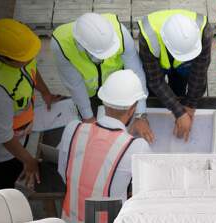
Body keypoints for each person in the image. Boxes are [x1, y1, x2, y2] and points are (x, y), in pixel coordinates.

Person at [58, 70, 152, 223]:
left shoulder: (73, 129)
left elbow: (63, 173)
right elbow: (146, 193)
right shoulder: (137, 146)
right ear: (132, 109)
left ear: (104, 101)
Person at [51, 12, 154, 143]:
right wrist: (88, 117)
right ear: (81, 46)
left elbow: (136, 73)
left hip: (117, 88)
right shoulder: (61, 45)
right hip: (89, 93)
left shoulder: (120, 33)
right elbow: (75, 85)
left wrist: (140, 115)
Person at [0, 19, 59, 190]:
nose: (32, 59)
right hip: (1, 154)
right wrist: (28, 160)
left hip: (19, 135)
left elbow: (32, 72)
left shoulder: (23, 58)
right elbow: (3, 137)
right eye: (27, 58)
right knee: (3, 187)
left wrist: (45, 93)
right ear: (7, 58)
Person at [138, 9, 212, 141]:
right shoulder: (148, 37)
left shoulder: (203, 31)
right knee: (155, 97)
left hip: (183, 67)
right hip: (158, 62)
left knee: (179, 89)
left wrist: (189, 106)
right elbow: (155, 81)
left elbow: (200, 71)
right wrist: (179, 112)